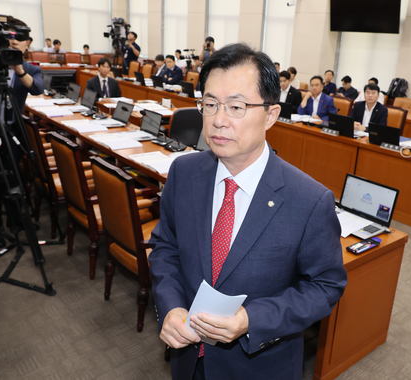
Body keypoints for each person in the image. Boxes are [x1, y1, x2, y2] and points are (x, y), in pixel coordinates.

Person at [148, 42, 347, 380]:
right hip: (188, 359)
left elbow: (325, 286)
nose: (218, 120)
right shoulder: (184, 172)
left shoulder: (310, 200)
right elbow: (165, 248)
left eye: (236, 106)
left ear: (271, 115)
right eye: (209, 104)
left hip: (258, 366)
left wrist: (251, 319)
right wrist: (171, 307)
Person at [0, 17, 44, 248]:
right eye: (9, 38)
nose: (13, 43)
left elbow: (38, 88)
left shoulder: (30, 69)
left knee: (14, 176)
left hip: (11, 130)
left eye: (18, 39)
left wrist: (18, 69)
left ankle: (16, 219)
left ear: (28, 43)